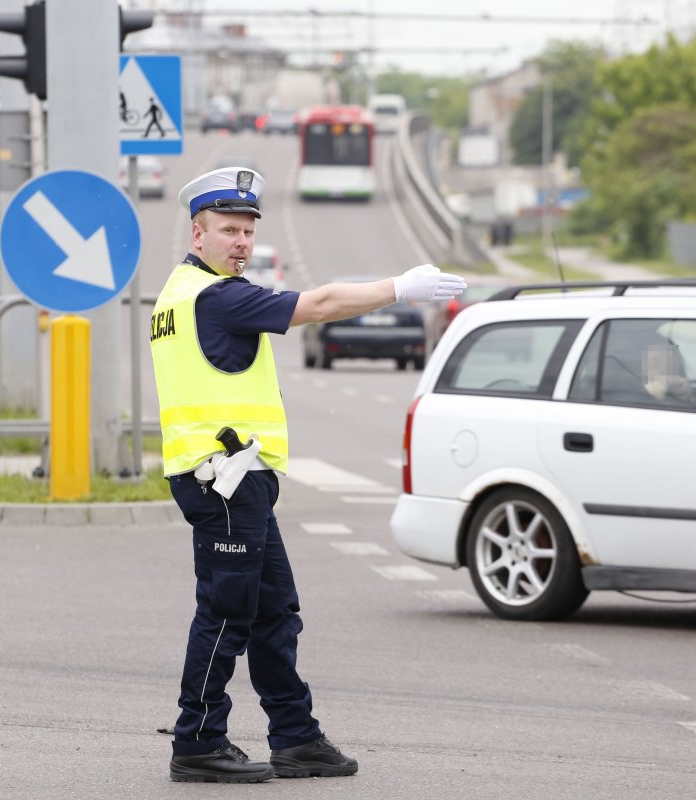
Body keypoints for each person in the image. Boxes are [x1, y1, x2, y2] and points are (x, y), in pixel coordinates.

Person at [151, 166, 466, 784]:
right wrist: (399, 287)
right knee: (226, 612)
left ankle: (296, 737)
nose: (240, 242)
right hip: (224, 482)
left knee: (274, 611)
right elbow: (318, 305)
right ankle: (197, 741)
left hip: (233, 479)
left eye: (247, 231)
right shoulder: (216, 296)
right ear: (198, 233)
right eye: (227, 230)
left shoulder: (179, 293)